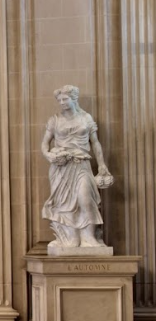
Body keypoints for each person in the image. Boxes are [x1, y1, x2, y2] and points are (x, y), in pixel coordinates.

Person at [40, 85, 113, 250]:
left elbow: (95, 142)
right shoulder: (55, 120)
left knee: (86, 199)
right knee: (63, 203)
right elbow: (45, 144)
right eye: (59, 100)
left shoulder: (85, 118)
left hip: (81, 165)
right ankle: (70, 239)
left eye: (65, 99)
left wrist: (102, 165)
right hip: (61, 167)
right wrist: (49, 155)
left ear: (74, 99)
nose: (62, 103)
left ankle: (88, 238)